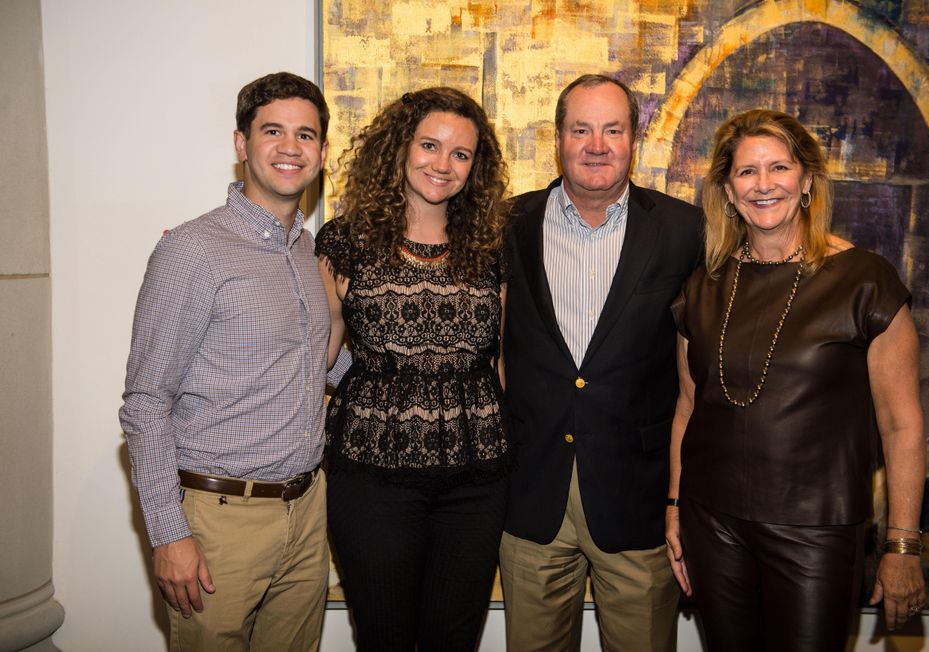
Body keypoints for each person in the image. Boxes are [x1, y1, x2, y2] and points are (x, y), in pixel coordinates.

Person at [666, 108, 927, 651]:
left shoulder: (864, 280)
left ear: (806, 181)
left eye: (779, 168)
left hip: (817, 532)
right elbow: (688, 408)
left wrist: (903, 548)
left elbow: (902, 426)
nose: (764, 185)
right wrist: (673, 508)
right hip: (712, 525)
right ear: (728, 191)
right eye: (746, 172)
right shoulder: (703, 286)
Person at [119, 72, 332, 651]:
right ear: (241, 145)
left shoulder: (308, 251)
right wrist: (169, 534)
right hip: (219, 522)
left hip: (307, 514)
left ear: (322, 152)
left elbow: (316, 367)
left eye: (306, 135)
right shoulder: (192, 249)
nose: (291, 148)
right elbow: (145, 403)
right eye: (273, 131)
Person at [499, 74, 703, 651]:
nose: (597, 144)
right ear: (558, 138)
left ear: (632, 139)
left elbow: (769, 252)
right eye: (581, 129)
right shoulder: (506, 224)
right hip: (532, 494)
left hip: (637, 499)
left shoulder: (684, 230)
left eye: (612, 129)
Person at [315, 87, 509, 651]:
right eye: (429, 145)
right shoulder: (345, 241)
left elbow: (502, 362)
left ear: (476, 167)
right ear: (401, 147)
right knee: (384, 638)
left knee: (453, 640)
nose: (442, 164)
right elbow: (319, 356)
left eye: (461, 154)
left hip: (477, 481)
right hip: (371, 477)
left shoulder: (492, 245)